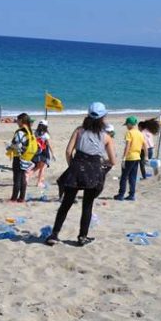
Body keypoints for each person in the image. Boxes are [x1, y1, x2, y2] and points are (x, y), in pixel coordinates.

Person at [46, 102, 116, 247]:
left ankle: (54, 234)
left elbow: (68, 151)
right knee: (87, 205)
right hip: (94, 171)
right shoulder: (106, 137)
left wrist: (72, 166)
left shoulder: (79, 131)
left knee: (66, 204)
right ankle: (82, 236)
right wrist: (103, 164)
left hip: (77, 168)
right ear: (103, 117)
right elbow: (113, 161)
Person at [6, 113, 38, 203]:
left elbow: (15, 144)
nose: (16, 122)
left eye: (17, 120)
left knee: (17, 178)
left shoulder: (20, 132)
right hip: (27, 156)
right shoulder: (30, 131)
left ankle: (14, 198)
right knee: (23, 177)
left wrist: (8, 147)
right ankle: (22, 197)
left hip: (19, 157)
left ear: (21, 120)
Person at [114, 116, 147, 201]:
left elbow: (127, 146)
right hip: (137, 157)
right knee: (133, 177)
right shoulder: (140, 133)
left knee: (124, 177)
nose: (126, 126)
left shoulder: (129, 133)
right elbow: (145, 146)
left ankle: (121, 194)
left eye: (127, 125)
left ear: (129, 124)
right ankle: (132, 195)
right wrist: (146, 156)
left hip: (130, 157)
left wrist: (124, 158)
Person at [31, 120, 55, 188]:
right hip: (44, 153)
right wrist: (53, 153)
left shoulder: (36, 133)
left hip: (37, 152)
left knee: (38, 167)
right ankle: (39, 182)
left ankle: (38, 179)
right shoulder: (46, 135)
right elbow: (49, 145)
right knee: (42, 167)